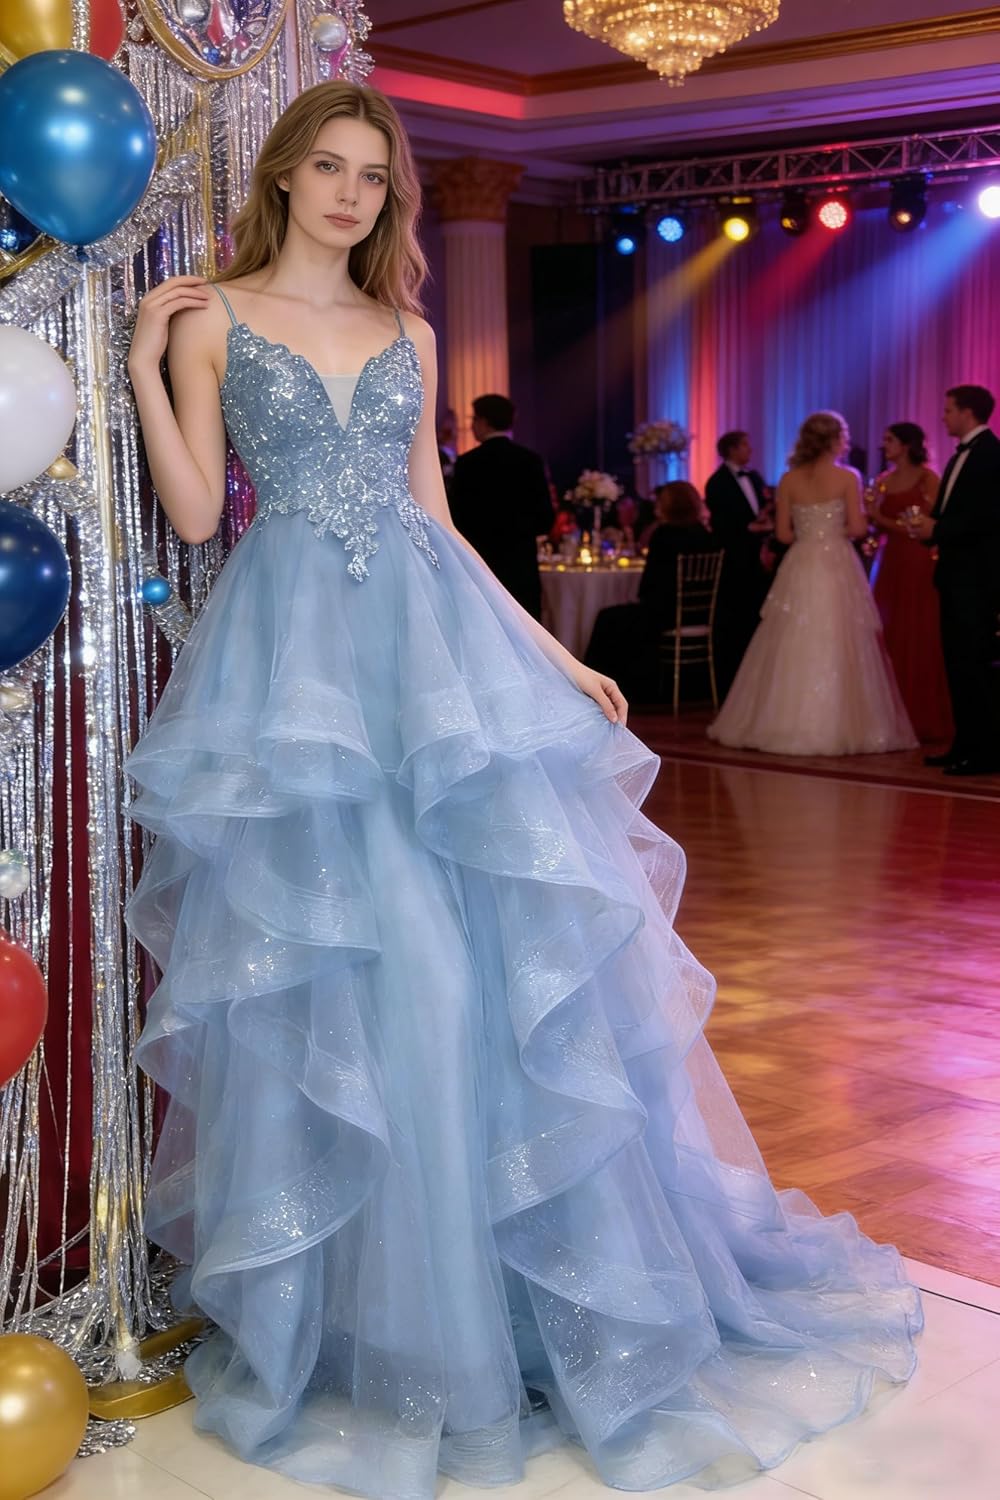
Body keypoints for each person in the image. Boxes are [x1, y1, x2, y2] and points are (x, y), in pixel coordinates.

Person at [124, 85, 920, 1500]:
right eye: (329, 168)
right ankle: (386, 1324)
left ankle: (516, 1308)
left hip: (431, 660)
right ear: (286, 176)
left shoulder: (409, 329)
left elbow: (434, 518)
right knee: (360, 975)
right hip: (296, 670)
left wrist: (554, 656)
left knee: (474, 970)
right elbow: (195, 515)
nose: (352, 194)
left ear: (393, 196)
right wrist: (141, 359)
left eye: (376, 176)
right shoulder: (211, 319)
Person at [708, 411, 917, 756]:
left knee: (790, 636)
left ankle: (780, 722)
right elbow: (858, 529)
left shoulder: (789, 479)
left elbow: (783, 535)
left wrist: (811, 534)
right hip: (836, 561)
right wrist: (832, 531)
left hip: (801, 560)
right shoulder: (847, 477)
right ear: (835, 440)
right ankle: (840, 724)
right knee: (840, 636)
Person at [906, 385, 1000, 775]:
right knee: (958, 664)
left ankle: (983, 752)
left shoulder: (990, 455)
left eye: (948, 410)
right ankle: (965, 744)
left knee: (974, 664)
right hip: (956, 574)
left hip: (976, 578)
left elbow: (987, 516)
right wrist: (931, 529)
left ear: (967, 412)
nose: (943, 416)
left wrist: (938, 529)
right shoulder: (962, 455)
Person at [585, 481, 718, 700]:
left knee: (607, 618)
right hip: (701, 614)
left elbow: (649, 587)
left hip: (664, 614)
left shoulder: (664, 535)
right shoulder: (705, 534)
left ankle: (597, 690)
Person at [868, 423, 952, 745]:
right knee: (891, 628)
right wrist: (872, 519)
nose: (884, 445)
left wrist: (879, 517)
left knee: (919, 629)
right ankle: (888, 715)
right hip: (890, 561)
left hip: (918, 560)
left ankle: (922, 714)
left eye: (889, 439)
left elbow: (928, 524)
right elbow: (878, 527)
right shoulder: (883, 480)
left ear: (905, 445)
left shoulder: (927, 478)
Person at [447, 393, 552, 618]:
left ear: (484, 422)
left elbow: (456, 519)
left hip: (480, 566)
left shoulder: (467, 464)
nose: (471, 426)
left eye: (474, 419)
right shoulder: (530, 460)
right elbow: (545, 519)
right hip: (521, 569)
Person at [704, 431, 773, 689]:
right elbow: (721, 523)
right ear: (731, 449)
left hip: (759, 558)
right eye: (745, 445)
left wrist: (763, 520)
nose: (750, 450)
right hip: (735, 559)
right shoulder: (717, 482)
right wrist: (747, 528)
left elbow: (760, 509)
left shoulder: (754, 477)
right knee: (738, 614)